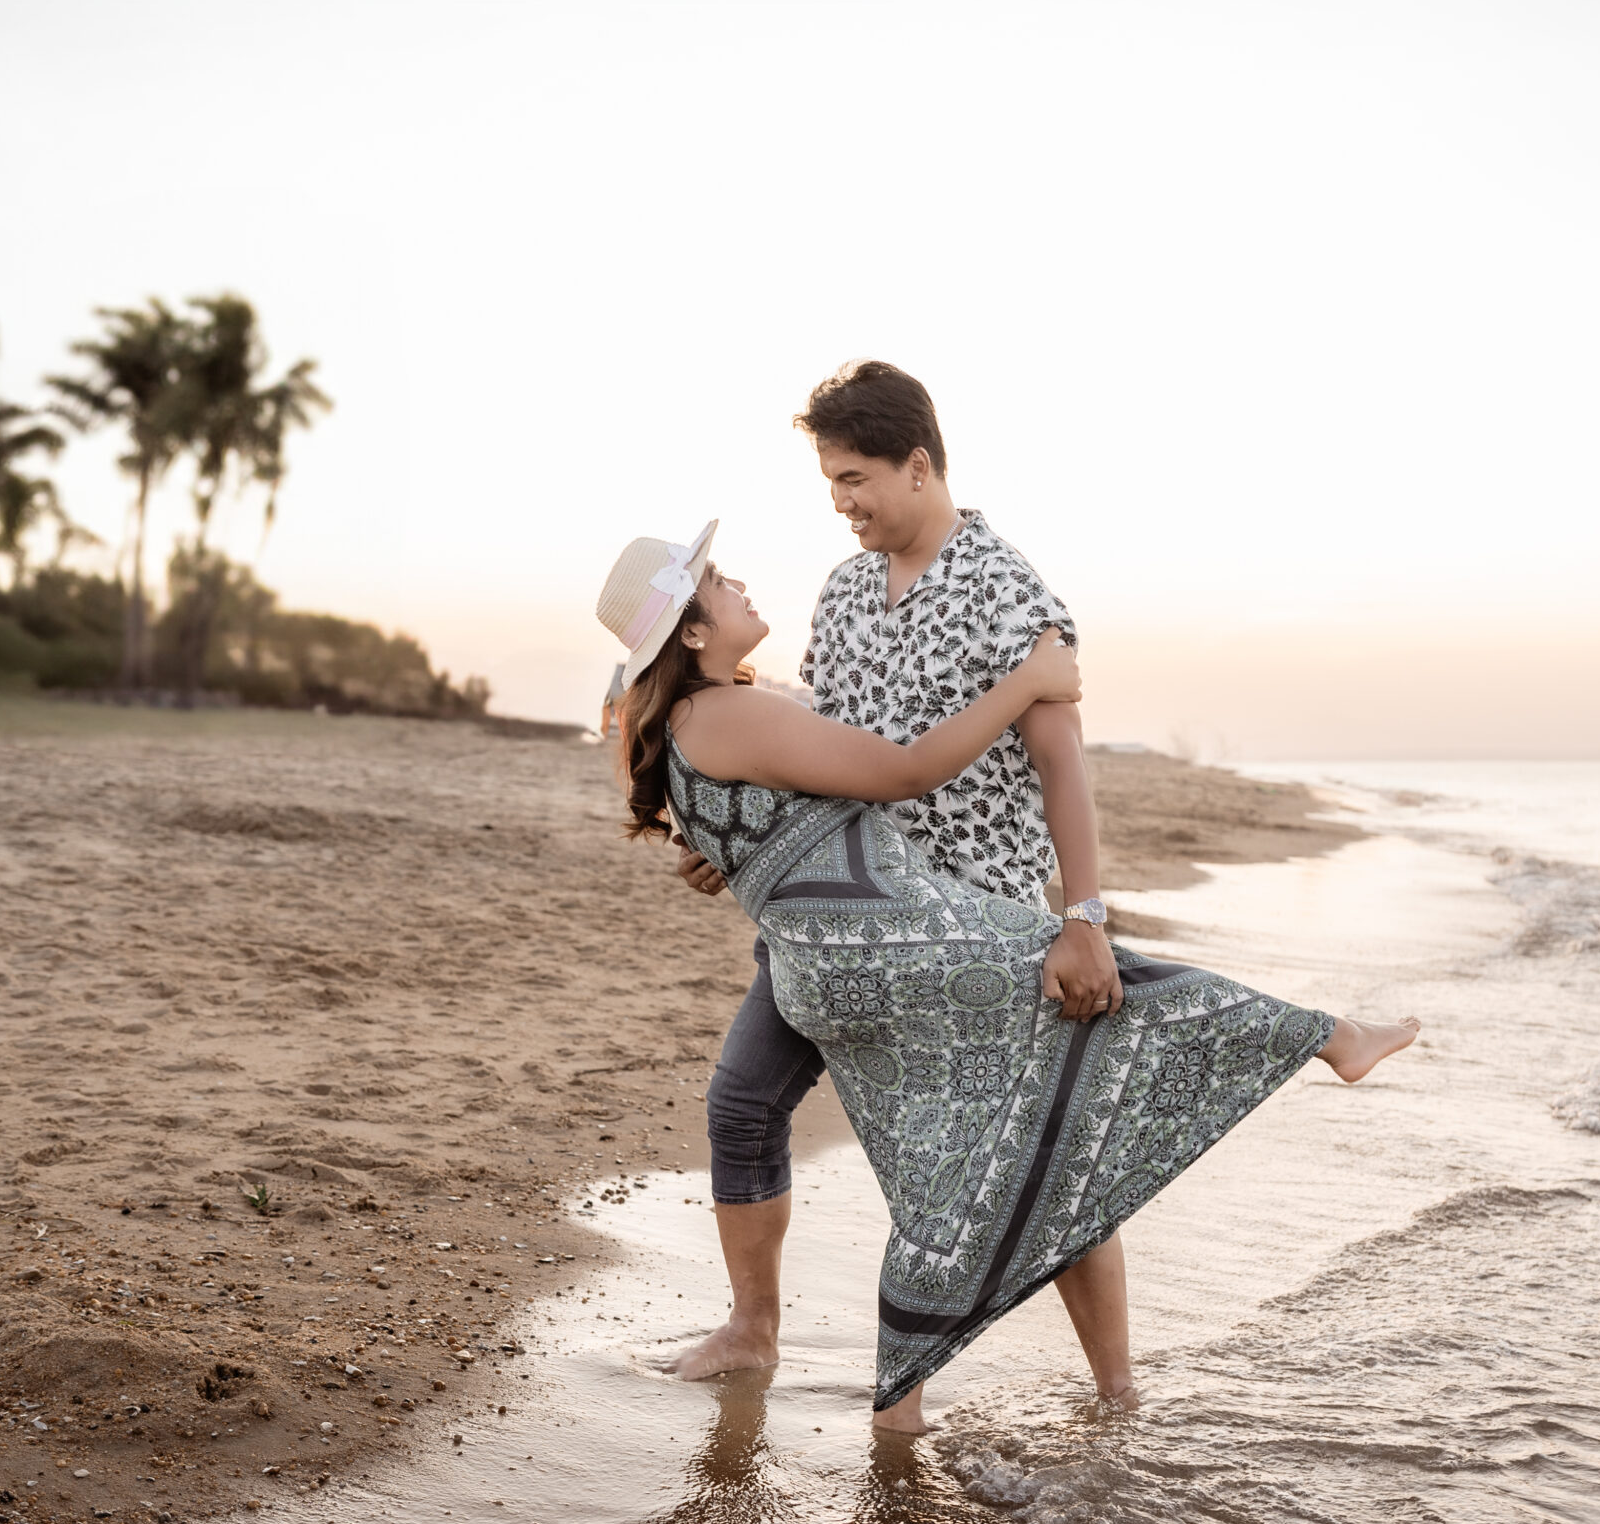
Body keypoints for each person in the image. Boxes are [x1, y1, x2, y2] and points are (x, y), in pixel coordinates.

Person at [595, 531, 1420, 1431]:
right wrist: (1025, 685)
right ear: (689, 634)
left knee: (930, 1178)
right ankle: (1331, 1039)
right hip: (898, 942)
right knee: (1116, 999)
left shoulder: (689, 730)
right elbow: (907, 772)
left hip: (823, 972)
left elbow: (762, 823)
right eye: (716, 581)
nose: (740, 581)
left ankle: (900, 1410)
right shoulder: (733, 714)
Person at [665, 362, 1138, 1406]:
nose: (840, 503)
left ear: (917, 466)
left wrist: (1084, 917)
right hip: (841, 916)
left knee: (1041, 1162)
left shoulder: (1008, 590)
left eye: (853, 479)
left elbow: (1063, 766)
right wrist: (737, 842)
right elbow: (820, 747)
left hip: (981, 921)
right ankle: (752, 1327)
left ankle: (1115, 1392)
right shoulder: (840, 591)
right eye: (830, 483)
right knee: (744, 1099)